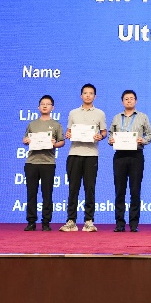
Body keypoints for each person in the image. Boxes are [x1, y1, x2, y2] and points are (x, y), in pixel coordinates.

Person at [61, 83, 106, 233]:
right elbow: (68, 131)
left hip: (91, 155)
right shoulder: (73, 113)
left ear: (95, 96)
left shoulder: (100, 113)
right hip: (74, 153)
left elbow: (104, 132)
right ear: (81, 96)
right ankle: (71, 221)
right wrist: (68, 134)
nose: (88, 95)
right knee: (73, 188)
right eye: (85, 93)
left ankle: (89, 221)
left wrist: (100, 136)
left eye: (91, 93)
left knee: (89, 189)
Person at [108, 89, 151, 232]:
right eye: (126, 99)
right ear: (122, 101)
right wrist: (111, 140)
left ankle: (134, 224)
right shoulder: (116, 117)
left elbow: (150, 134)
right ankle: (119, 223)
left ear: (136, 101)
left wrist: (143, 140)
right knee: (119, 190)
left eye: (131, 98)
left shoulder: (142, 117)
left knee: (135, 190)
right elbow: (110, 135)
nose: (129, 100)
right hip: (120, 156)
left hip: (136, 155)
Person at [22, 95, 65, 231]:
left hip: (48, 163)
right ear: (38, 107)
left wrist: (54, 144)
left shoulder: (56, 125)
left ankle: (46, 222)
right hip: (32, 162)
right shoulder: (32, 124)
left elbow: (62, 142)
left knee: (47, 193)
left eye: (48, 104)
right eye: (42, 104)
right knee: (31, 193)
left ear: (53, 107)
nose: (45, 106)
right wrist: (25, 141)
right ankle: (31, 221)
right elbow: (25, 138)